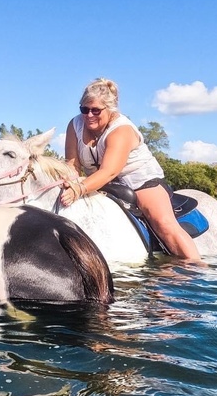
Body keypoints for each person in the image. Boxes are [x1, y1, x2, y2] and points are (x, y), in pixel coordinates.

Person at [62, 78, 200, 260]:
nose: (89, 115)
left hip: (139, 181)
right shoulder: (75, 124)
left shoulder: (122, 130)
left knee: (163, 223)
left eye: (96, 110)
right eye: (84, 109)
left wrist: (79, 189)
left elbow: (109, 171)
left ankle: (196, 268)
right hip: (99, 183)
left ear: (110, 109)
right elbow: (72, 164)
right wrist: (69, 182)